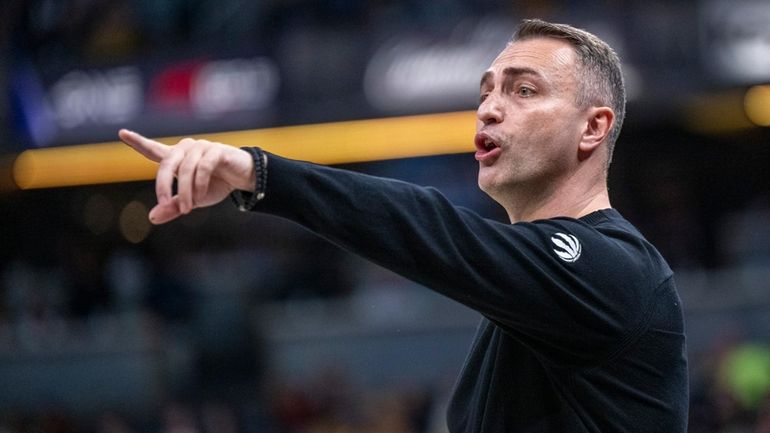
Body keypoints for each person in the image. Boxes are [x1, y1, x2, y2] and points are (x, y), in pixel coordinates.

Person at [119, 18, 688, 433]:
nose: (488, 108)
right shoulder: (531, 300)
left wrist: (261, 173)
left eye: (523, 90)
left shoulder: (617, 270)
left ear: (593, 128)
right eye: (486, 91)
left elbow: (430, 228)